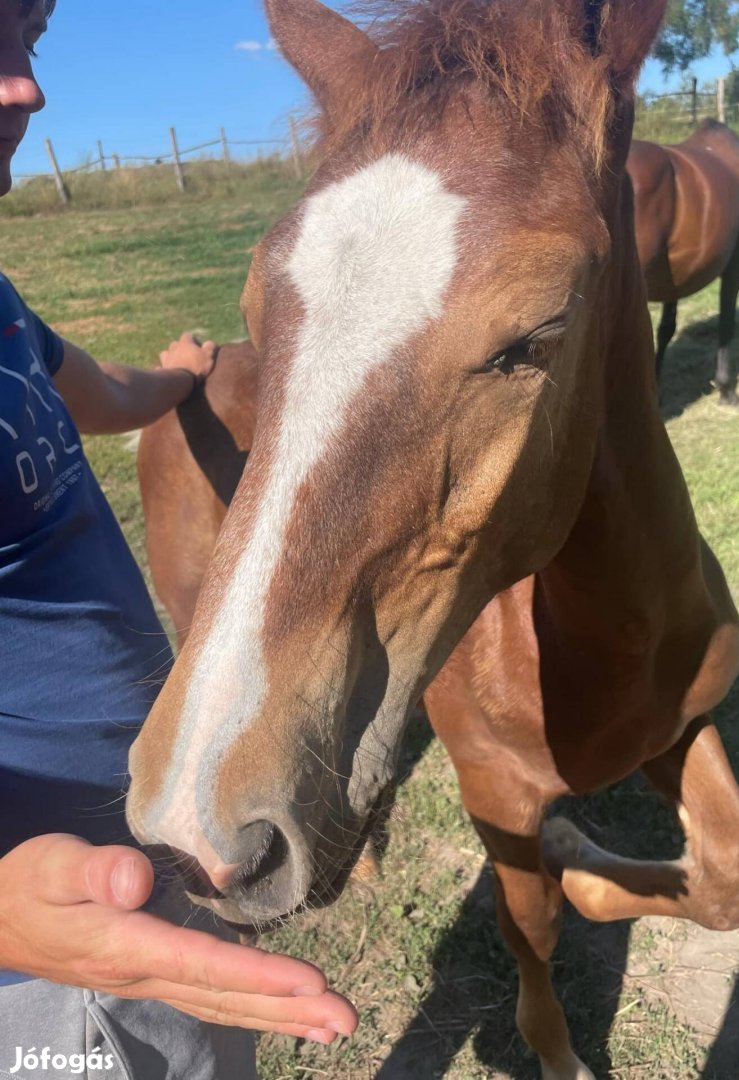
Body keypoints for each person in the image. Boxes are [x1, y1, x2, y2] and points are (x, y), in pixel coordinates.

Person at [0, 2, 358, 1075]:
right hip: (55, 955)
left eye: (31, 36)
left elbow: (94, 392)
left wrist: (181, 378)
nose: (27, 86)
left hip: (149, 823)